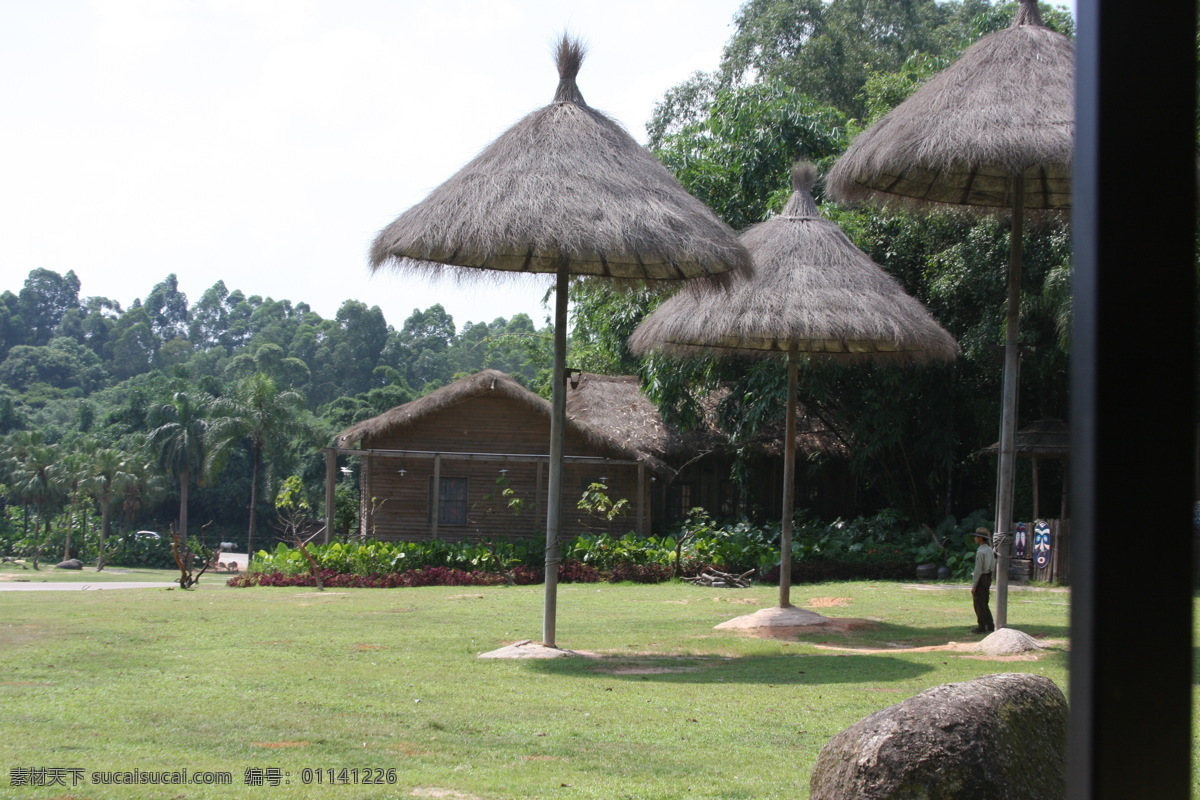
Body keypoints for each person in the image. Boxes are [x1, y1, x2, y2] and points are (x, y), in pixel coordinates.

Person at [971, 527, 996, 634]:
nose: (975, 538)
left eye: (976, 537)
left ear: (980, 538)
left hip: (982, 577)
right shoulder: (990, 550)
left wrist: (974, 585)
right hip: (988, 576)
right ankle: (990, 625)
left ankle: (981, 626)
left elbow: (978, 570)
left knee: (978, 603)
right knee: (985, 602)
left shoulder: (981, 552)